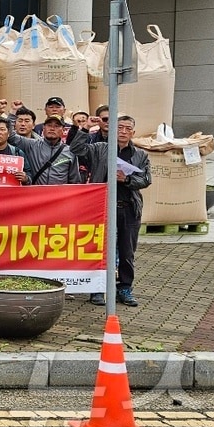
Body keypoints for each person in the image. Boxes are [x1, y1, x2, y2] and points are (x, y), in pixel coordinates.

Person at [76, 116, 151, 307]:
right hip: (102, 208)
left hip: (128, 207)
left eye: (128, 128)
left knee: (127, 251)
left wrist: (126, 180)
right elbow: (76, 150)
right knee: (99, 250)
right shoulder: (100, 148)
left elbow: (146, 180)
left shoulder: (140, 155)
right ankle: (97, 289)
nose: (124, 131)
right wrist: (85, 129)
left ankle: (124, 288)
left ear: (133, 133)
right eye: (120, 127)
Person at [9, 116, 86, 185]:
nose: (52, 129)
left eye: (56, 126)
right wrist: (13, 113)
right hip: (36, 196)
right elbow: (10, 136)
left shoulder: (70, 151)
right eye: (49, 125)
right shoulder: (31, 145)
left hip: (60, 198)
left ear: (63, 130)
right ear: (43, 128)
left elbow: (75, 181)